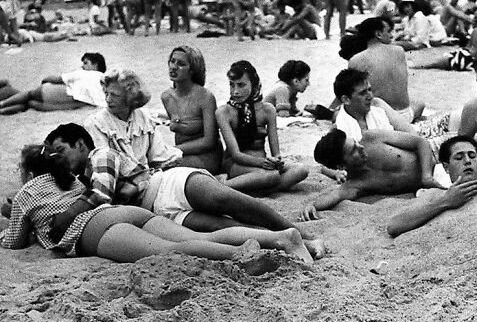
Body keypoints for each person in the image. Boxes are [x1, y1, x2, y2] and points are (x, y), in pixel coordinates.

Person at [1, 144, 307, 264]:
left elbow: (14, 241)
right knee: (199, 238)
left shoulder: (27, 193)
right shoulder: (71, 181)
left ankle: (243, 257)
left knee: (168, 252)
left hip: (94, 230)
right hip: (122, 212)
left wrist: (9, 220)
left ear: (28, 173)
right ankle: (279, 237)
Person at [302, 127, 437, 220]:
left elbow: (421, 142)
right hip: (434, 183)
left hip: (435, 154)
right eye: (353, 150)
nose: (360, 147)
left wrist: (426, 176)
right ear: (342, 165)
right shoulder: (355, 184)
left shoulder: (373, 138)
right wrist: (312, 205)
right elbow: (335, 195)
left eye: (355, 142)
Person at [216, 60, 308, 194]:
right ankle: (224, 186)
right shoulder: (224, 112)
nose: (235, 92)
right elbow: (236, 154)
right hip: (237, 164)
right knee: (271, 175)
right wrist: (262, 163)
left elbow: (276, 152)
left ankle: (257, 189)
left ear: (253, 85)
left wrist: (276, 161)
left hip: (264, 163)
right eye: (232, 85)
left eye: (241, 85)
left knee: (301, 170)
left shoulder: (267, 110)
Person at [386, 135, 477, 237]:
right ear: (446, 167)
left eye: (472, 156)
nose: (467, 161)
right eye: (459, 158)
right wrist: (445, 201)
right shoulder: (436, 195)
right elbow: (393, 226)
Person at [160, 45, 222, 174]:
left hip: (207, 157)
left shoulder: (205, 97)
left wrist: (172, 150)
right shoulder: (166, 97)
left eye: (181, 64)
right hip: (181, 154)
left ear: (192, 70)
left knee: (160, 169)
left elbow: (209, 141)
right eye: (172, 61)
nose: (174, 67)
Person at [349, 17, 424, 122]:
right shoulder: (399, 51)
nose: (392, 35)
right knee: (419, 104)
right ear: (378, 34)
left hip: (378, 118)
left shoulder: (355, 60)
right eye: (388, 31)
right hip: (404, 115)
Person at [0, 53, 106, 115]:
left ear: (95, 65)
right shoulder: (104, 83)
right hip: (56, 106)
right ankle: (2, 109)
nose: (82, 66)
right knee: (28, 104)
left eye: (86, 63)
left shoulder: (86, 73)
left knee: (29, 94)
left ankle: (3, 103)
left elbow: (56, 79)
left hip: (53, 94)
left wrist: (45, 81)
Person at [333, 69, 414, 141]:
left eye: (369, 90)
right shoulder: (341, 127)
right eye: (362, 93)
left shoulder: (378, 111)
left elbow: (408, 134)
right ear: (346, 100)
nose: (370, 96)